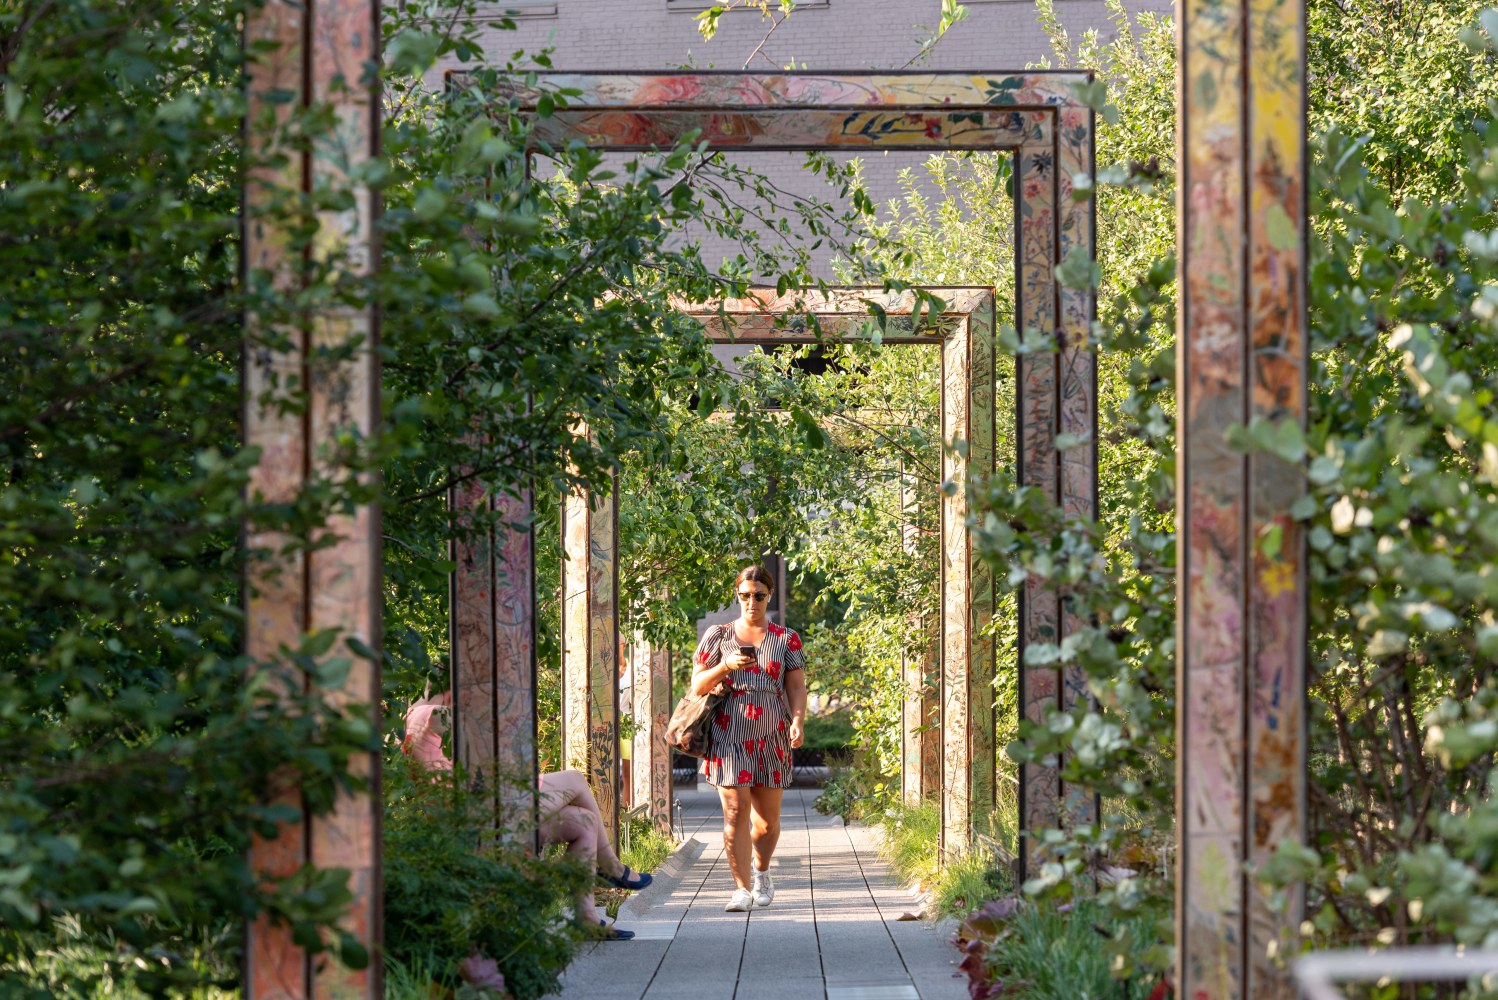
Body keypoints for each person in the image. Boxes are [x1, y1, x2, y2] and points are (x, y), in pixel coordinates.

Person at [401, 695, 649, 940]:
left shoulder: (415, 715)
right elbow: (475, 725)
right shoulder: (430, 714)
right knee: (574, 779)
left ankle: (587, 919)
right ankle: (610, 866)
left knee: (585, 822)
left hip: (476, 809)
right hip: (478, 811)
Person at [689, 565, 807, 911]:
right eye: (744, 596)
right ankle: (740, 889)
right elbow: (697, 685)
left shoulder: (786, 638)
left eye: (758, 596)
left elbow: (797, 686)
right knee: (735, 812)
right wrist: (725, 666)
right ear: (737, 596)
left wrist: (798, 720)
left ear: (768, 596)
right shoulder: (718, 635)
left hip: (772, 734)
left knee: (766, 823)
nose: (751, 602)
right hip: (728, 732)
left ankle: (762, 871)